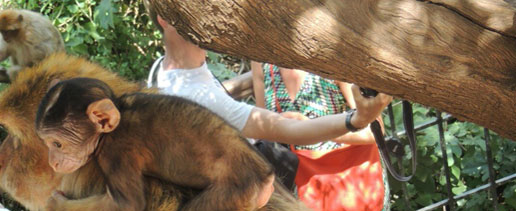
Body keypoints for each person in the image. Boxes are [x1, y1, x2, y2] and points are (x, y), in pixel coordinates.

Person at [143, 2, 392, 158]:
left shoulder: (164, 71)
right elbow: (290, 130)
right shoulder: (195, 97)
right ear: (166, 18)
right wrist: (358, 119)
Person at [251, 65, 391, 211]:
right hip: (301, 194)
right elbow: (261, 130)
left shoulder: (330, 54)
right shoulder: (262, 62)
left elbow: (373, 132)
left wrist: (309, 126)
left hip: (353, 186)